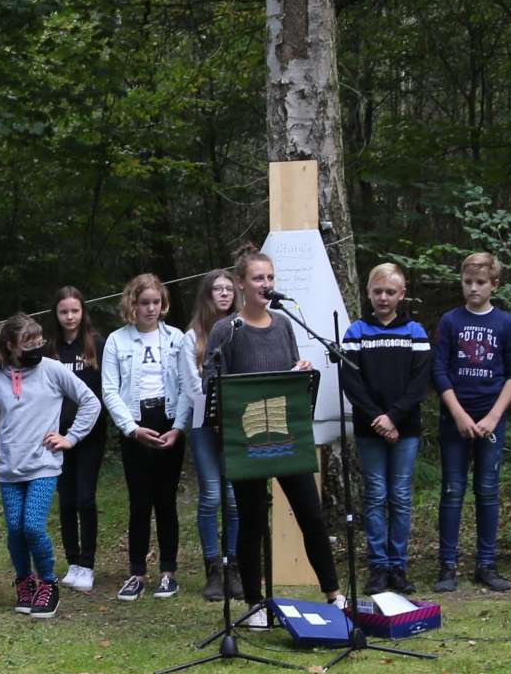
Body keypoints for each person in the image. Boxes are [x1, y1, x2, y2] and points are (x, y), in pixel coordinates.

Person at [205, 248, 347, 628]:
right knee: (252, 522)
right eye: (258, 279)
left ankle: (334, 594)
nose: (266, 285)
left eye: (270, 278)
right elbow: (211, 383)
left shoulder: (284, 324)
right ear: (241, 284)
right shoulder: (227, 330)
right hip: (247, 440)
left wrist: (300, 370)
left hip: (286, 435)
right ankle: (254, 602)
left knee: (311, 516)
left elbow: (289, 374)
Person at [0, 314, 100, 619]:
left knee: (32, 525)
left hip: (43, 465)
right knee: (15, 531)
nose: (35, 348)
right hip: (9, 468)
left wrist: (70, 438)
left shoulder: (52, 370)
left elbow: (90, 402)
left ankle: (47, 582)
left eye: (38, 342)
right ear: (9, 345)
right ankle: (24, 581)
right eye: (27, 343)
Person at [430, 252, 511, 593]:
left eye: (480, 283)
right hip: (455, 418)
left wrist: (494, 416)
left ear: (494, 285)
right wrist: (458, 413)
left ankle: (487, 563)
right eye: (468, 282)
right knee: (453, 490)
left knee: (487, 490)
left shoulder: (505, 324)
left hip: (490, 419)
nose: (473, 288)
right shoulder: (451, 321)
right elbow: (439, 370)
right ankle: (447, 565)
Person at [340, 264, 432, 595]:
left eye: (390, 292)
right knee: (376, 495)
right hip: (370, 429)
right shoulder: (356, 332)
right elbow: (351, 381)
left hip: (405, 429)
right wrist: (378, 418)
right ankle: (378, 566)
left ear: (401, 295)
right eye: (377, 291)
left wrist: (393, 417)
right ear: (368, 292)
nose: (383, 297)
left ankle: (399, 566)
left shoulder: (415, 333)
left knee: (401, 496)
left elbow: (419, 382)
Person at [99, 274, 189, 601]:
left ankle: (168, 572)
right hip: (135, 424)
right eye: (144, 303)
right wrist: (131, 428)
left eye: (155, 302)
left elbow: (186, 386)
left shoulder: (177, 338)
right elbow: (109, 389)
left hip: (168, 420)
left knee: (166, 500)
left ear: (162, 304)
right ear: (132, 305)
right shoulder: (117, 341)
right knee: (140, 501)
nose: (150, 309)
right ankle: (136, 572)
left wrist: (178, 427)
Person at [178, 270, 242, 601]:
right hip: (205, 424)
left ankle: (233, 566)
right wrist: (213, 414)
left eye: (228, 289)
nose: (223, 294)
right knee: (211, 495)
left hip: (236, 423)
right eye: (217, 289)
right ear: (207, 295)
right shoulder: (193, 337)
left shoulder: (241, 328)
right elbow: (191, 385)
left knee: (233, 498)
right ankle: (213, 567)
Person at [48, 286, 107, 593]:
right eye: (64, 311)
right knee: (67, 500)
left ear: (83, 311)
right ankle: (72, 561)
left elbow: (103, 392)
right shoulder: (49, 349)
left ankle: (87, 563)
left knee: (85, 497)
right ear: (56, 314)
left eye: (75, 310)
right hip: (56, 437)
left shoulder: (96, 344)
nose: (70, 317)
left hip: (90, 436)